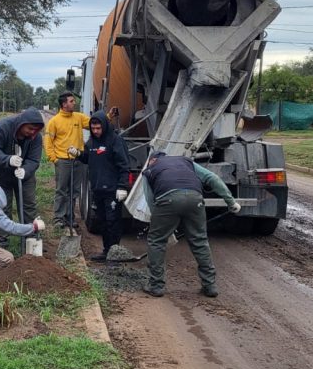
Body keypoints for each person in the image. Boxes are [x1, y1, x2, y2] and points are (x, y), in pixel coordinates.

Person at [141, 153, 241, 298]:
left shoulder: (149, 170)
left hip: (167, 200)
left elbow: (151, 201)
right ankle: (210, 285)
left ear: (153, 160)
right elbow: (212, 178)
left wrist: (161, 226)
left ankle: (156, 286)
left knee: (156, 241)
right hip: (195, 199)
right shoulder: (185, 161)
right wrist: (230, 202)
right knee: (200, 241)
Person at [75, 110, 129, 261]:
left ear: (104, 126)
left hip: (112, 189)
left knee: (113, 221)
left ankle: (114, 253)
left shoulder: (115, 141)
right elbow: (88, 158)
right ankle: (106, 251)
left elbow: (124, 165)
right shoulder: (91, 142)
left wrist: (122, 186)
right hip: (97, 189)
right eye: (93, 128)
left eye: (98, 128)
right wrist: (78, 154)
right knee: (103, 221)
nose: (96, 131)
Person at [0, 107, 45, 237]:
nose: (32, 132)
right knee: (2, 207)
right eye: (30, 128)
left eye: (36, 130)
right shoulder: (1, 128)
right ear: (22, 124)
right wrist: (8, 159)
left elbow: (34, 160)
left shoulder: (36, 138)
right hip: (0, 173)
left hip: (24, 175)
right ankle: (2, 240)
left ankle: (31, 238)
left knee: (28, 205)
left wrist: (25, 170)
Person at [44, 92, 91, 227]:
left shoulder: (79, 117)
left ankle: (70, 217)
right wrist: (54, 159)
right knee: (61, 190)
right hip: (62, 161)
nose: (74, 103)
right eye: (71, 101)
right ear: (64, 104)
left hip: (78, 161)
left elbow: (94, 123)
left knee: (74, 191)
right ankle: (58, 218)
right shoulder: (54, 121)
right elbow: (48, 142)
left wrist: (109, 117)